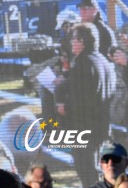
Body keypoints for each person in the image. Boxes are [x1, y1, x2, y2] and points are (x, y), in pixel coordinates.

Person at [55, 24, 117, 186]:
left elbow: (81, 98)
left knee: (87, 172)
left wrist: (64, 108)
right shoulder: (102, 60)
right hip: (103, 127)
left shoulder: (84, 63)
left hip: (86, 129)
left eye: (73, 39)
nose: (71, 43)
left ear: (81, 41)